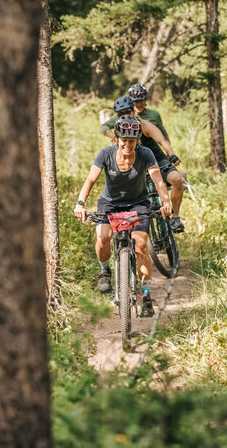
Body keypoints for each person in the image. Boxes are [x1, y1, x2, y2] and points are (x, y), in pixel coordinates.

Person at [75, 115, 172, 317]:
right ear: (117, 138)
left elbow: (158, 180)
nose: (128, 144)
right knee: (103, 238)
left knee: (141, 245)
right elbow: (91, 179)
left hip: (138, 203)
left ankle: (145, 296)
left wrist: (166, 201)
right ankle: (104, 271)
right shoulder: (106, 154)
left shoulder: (145, 154)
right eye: (124, 140)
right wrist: (80, 203)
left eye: (132, 140)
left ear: (138, 140)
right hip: (109, 203)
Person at [100, 84, 186, 232]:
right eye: (121, 114)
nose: (125, 115)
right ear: (117, 116)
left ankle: (175, 218)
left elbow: (161, 139)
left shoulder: (143, 124)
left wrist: (170, 153)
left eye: (128, 112)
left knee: (177, 179)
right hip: (136, 165)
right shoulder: (118, 134)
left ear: (133, 111)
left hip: (157, 159)